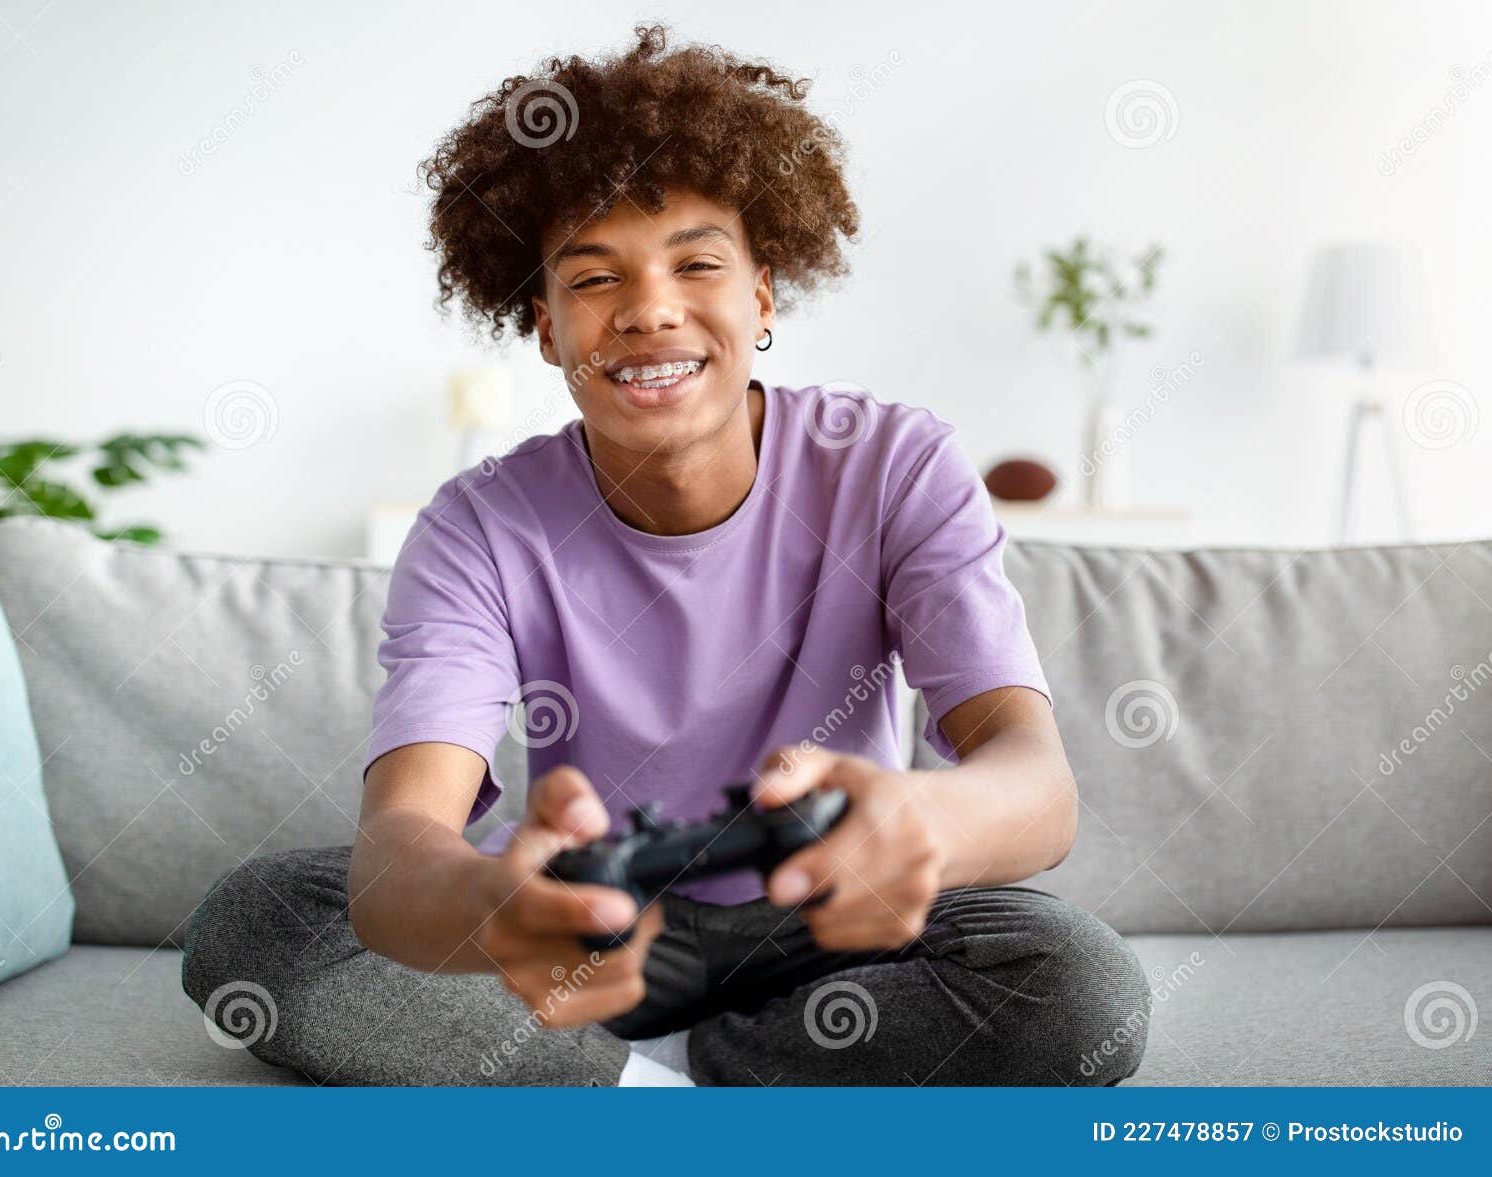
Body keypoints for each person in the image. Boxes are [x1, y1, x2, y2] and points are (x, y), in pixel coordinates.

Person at [181, 22, 1150, 1087]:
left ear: (763, 296)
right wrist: (497, 904)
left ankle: (658, 1082)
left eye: (696, 263)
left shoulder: (893, 465)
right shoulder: (477, 527)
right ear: (544, 324)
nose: (648, 309)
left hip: (826, 929)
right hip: (597, 929)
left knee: (1073, 983)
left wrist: (924, 814)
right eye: (593, 280)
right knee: (261, 921)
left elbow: (1037, 784)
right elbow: (397, 851)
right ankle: (643, 1091)